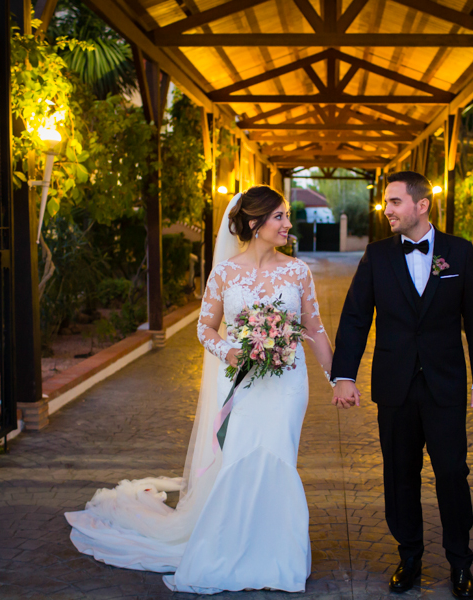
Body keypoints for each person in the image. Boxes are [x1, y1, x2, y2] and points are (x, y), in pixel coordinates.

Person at [66, 185, 335, 594]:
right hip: (242, 383)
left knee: (278, 458)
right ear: (253, 223)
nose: (286, 224)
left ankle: (279, 557)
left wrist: (338, 379)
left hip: (287, 384)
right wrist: (229, 352)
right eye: (278, 216)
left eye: (284, 216)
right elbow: (204, 327)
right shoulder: (225, 273)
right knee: (241, 459)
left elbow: (313, 329)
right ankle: (230, 550)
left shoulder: (298, 271)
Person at [330, 171, 473, 597]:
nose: (387, 210)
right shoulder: (377, 255)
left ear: (422, 205)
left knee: (452, 474)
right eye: (386, 202)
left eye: (396, 202)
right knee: (400, 475)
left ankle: (460, 563)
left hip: (446, 386)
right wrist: (344, 375)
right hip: (395, 385)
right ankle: (410, 557)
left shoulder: (459, 252)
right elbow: (354, 317)